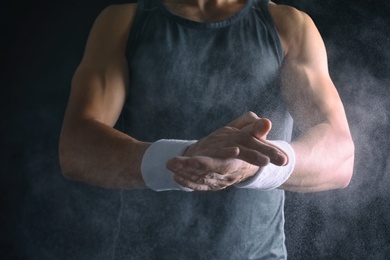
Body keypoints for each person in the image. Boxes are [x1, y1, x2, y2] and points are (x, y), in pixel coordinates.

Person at [59, 0, 355, 258]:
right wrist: (186, 157)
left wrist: (252, 166)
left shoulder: (288, 25)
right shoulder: (122, 22)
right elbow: (76, 148)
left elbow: (340, 157)